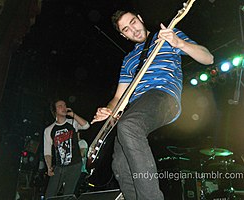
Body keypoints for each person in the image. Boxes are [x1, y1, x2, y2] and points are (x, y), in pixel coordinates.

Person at [91, 10, 214, 200]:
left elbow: (208, 58)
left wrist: (178, 42)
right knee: (120, 165)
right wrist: (108, 109)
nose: (133, 29)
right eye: (126, 29)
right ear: (123, 35)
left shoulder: (167, 36)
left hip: (163, 96)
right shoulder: (129, 60)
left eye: (133, 22)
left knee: (129, 125)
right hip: (137, 107)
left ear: (140, 18)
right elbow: (118, 97)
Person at [43, 99, 90, 199]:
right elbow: (47, 151)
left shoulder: (72, 123)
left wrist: (73, 115)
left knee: (68, 195)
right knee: (50, 195)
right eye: (60, 106)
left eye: (64, 105)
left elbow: (86, 125)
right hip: (59, 166)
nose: (64, 107)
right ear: (55, 111)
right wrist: (49, 167)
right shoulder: (49, 130)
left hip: (75, 165)